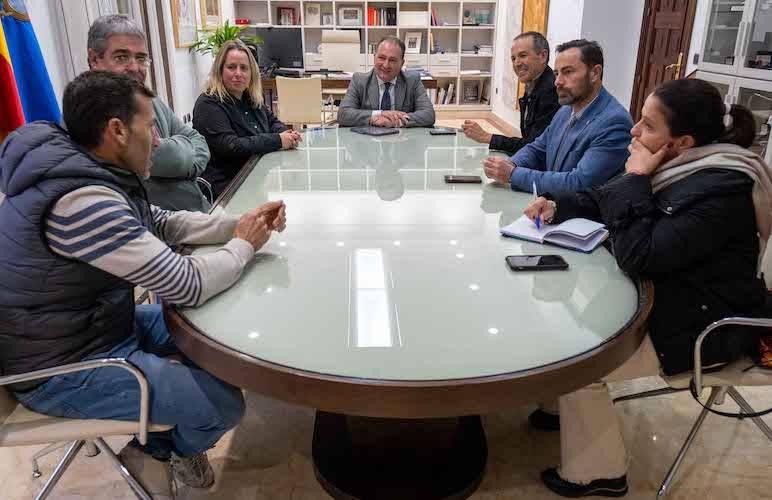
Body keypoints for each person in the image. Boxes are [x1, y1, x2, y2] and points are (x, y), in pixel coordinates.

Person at [0, 71, 288, 498]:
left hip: (91, 326)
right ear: (117, 131)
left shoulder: (83, 170)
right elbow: (185, 284)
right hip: (59, 366)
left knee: (216, 335)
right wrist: (244, 245)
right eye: (150, 126)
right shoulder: (81, 201)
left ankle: (163, 427)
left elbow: (161, 222)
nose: (157, 140)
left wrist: (237, 225)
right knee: (222, 404)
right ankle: (160, 450)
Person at [523, 78, 771, 497]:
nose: (634, 131)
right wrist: (558, 205)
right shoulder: (682, 166)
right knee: (564, 328)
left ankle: (599, 473)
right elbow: (605, 198)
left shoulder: (722, 190)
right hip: (667, 300)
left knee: (583, 362)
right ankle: (561, 405)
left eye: (648, 125)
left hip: (704, 328)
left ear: (682, 141)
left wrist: (636, 177)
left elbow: (640, 255)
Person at [88, 15, 212, 212]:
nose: (134, 68)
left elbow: (199, 143)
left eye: (141, 58)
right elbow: (174, 159)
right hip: (161, 233)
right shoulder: (91, 115)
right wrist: (183, 157)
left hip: (196, 217)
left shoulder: (148, 99)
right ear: (95, 59)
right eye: (121, 57)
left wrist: (180, 158)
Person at [483, 39, 632, 195]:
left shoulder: (614, 123)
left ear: (595, 73)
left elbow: (579, 184)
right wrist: (510, 163)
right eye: (556, 73)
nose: (558, 82)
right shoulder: (565, 110)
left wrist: (513, 174)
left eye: (568, 72)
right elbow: (538, 148)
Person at [193, 39, 301, 200]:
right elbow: (231, 146)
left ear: (252, 73)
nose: (238, 73)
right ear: (220, 70)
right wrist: (278, 140)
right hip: (227, 190)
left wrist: (286, 133)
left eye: (244, 68)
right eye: (231, 67)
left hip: (255, 180)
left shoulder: (250, 98)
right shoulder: (208, 104)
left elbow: (271, 121)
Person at [462, 32, 559, 155]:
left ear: (543, 56)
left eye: (523, 55)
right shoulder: (534, 83)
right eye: (513, 58)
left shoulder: (551, 91)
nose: (517, 63)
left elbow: (534, 147)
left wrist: (487, 137)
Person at [337, 36, 436, 128]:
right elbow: (343, 114)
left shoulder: (412, 80)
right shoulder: (359, 80)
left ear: (402, 63)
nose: (386, 65)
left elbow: (428, 114)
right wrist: (377, 115)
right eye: (381, 58)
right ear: (374, 57)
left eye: (392, 60)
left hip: (402, 141)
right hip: (368, 142)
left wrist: (395, 121)